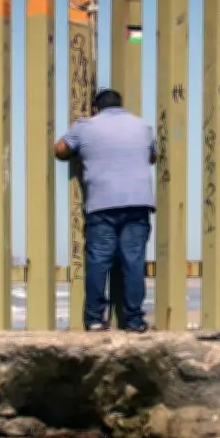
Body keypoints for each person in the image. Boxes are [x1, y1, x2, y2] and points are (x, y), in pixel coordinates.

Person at [53, 89, 156, 332]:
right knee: (133, 261)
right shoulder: (142, 127)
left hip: (102, 203)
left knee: (99, 261)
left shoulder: (85, 126)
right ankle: (134, 320)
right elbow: (152, 156)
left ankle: (95, 319)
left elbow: (60, 150)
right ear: (121, 105)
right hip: (138, 201)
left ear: (95, 108)